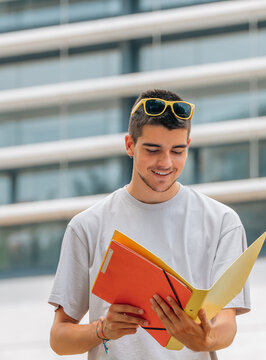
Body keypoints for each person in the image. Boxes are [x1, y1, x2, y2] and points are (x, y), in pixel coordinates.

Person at [48, 89, 249, 360]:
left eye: (177, 151)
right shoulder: (87, 226)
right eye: (153, 150)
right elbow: (59, 339)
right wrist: (103, 329)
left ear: (188, 146)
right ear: (130, 145)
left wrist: (206, 339)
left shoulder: (222, 222)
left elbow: (227, 323)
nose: (166, 163)